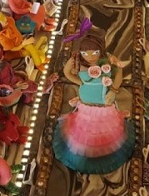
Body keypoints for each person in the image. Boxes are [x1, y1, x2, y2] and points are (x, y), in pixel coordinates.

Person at [52, 23, 135, 174]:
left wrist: (113, 90)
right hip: (86, 105)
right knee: (83, 132)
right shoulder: (77, 61)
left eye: (95, 52)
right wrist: (80, 81)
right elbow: (67, 73)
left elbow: (119, 72)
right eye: (85, 53)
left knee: (106, 130)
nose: (90, 57)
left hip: (105, 103)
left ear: (100, 50)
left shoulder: (108, 59)